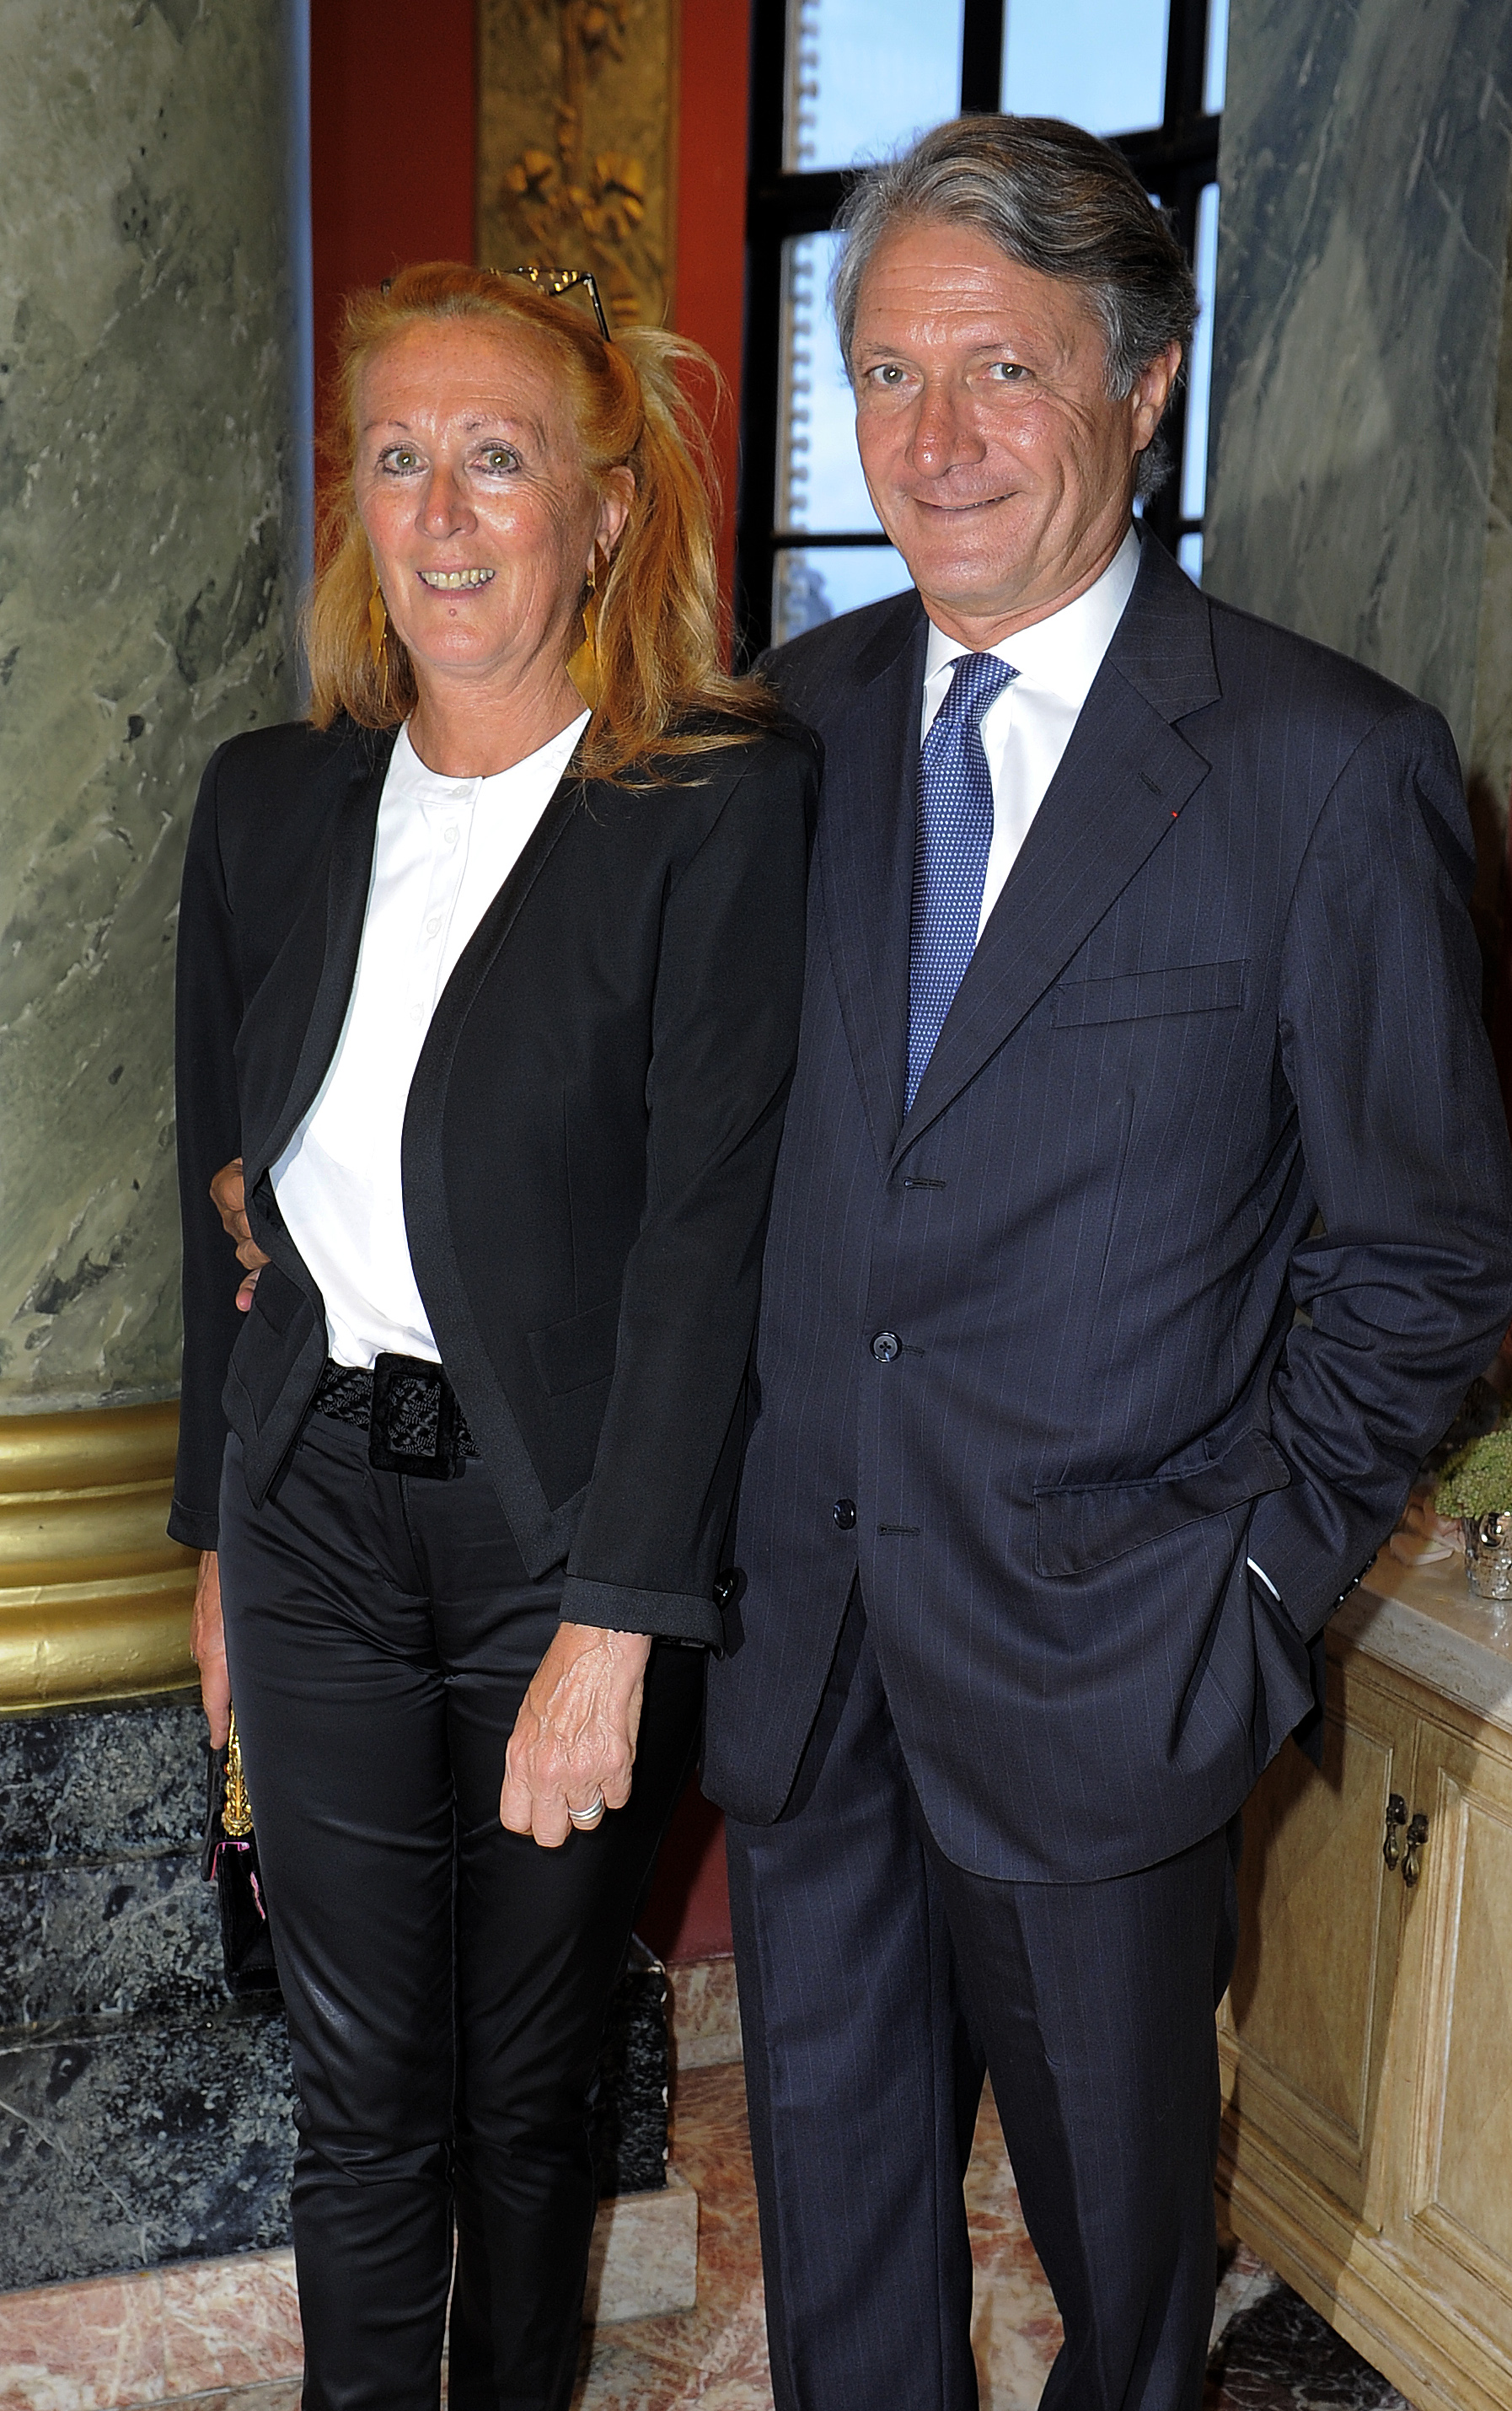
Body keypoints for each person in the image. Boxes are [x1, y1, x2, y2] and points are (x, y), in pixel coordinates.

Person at [698, 117, 1512, 2411]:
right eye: (885, 374)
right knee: (846, 2290)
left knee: (1123, 2291)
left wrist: (1243, 1592)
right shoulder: (781, 731)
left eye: (1001, 370)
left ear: (1144, 384)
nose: (931, 439)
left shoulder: (1324, 768)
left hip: (1109, 1663)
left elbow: (1424, 1256)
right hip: (804, 1644)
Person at [169, 260, 814, 2411]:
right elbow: (208, 1189)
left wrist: (619, 1622)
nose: (440, 513)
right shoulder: (269, 801)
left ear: (604, 510)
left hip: (565, 1537)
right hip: (316, 1514)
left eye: (497, 458)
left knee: (526, 2089)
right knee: (358, 2091)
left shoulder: (712, 806)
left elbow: (707, 1242)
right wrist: (212, 1545)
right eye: (397, 458)